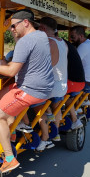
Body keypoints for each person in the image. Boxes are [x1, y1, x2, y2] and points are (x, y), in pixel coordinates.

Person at [0, 9, 54, 173]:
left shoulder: (25, 42)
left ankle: (9, 158)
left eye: (13, 26)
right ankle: (12, 131)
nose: (11, 29)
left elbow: (10, 72)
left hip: (31, 90)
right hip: (44, 88)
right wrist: (15, 30)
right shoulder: (41, 36)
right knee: (3, 93)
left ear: (25, 23)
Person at [36, 17, 68, 146]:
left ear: (43, 28)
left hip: (51, 87)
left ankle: (45, 137)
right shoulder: (63, 42)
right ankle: (57, 134)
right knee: (57, 106)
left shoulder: (47, 42)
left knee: (35, 105)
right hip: (62, 86)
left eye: (38, 28)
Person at [71, 26, 90, 116]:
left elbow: (73, 63)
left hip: (86, 82)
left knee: (65, 93)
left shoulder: (83, 46)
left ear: (81, 36)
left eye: (73, 36)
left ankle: (75, 112)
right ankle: (83, 104)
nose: (71, 39)